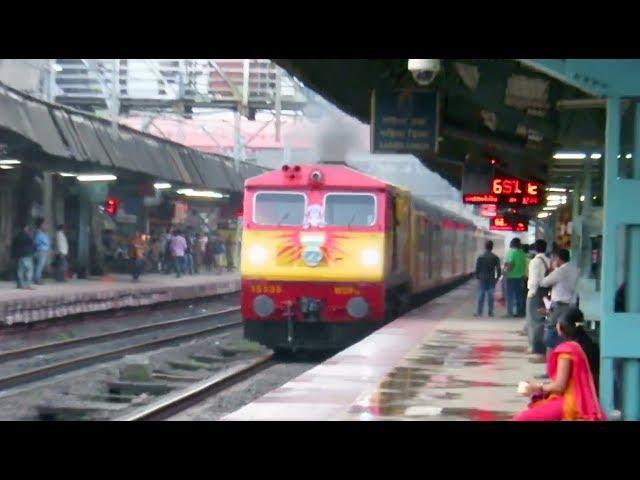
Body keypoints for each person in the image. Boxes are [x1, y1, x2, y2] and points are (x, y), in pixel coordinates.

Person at [513, 306, 604, 421]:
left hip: (573, 401)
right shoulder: (591, 344)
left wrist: (538, 387)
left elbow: (559, 387)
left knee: (522, 418)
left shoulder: (567, 350)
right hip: (588, 398)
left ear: (560, 327)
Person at [540, 249, 580, 352]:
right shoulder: (574, 269)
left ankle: (561, 351)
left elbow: (544, 282)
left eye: (554, 258)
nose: (553, 261)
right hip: (572, 305)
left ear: (558, 259)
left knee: (550, 333)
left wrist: (552, 269)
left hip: (559, 306)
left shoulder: (560, 271)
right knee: (566, 330)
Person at [526, 239, 550, 362]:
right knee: (540, 320)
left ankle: (536, 348)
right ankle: (539, 348)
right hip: (544, 292)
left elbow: (534, 279)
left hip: (535, 293)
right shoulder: (547, 260)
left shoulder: (535, 261)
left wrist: (532, 292)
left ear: (534, 249)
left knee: (534, 321)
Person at [473, 240, 501, 317]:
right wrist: (497, 278)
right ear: (492, 247)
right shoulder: (495, 257)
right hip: (491, 279)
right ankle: (490, 312)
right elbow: (498, 269)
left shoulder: (480, 257)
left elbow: (477, 268)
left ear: (485, 247)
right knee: (491, 296)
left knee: (481, 295)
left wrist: (477, 277)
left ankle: (479, 312)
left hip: (482, 278)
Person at [503, 237, 526, 317]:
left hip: (511, 277)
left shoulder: (511, 252)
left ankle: (510, 312)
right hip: (521, 277)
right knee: (519, 296)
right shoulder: (522, 253)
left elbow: (509, 264)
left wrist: (505, 273)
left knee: (510, 296)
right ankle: (519, 312)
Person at [11, 223, 36, 290]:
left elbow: (14, 246)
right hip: (27, 255)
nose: (28, 229)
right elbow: (32, 244)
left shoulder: (17, 236)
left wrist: (13, 255)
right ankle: (28, 285)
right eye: (27, 228)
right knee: (29, 269)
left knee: (20, 270)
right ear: (25, 228)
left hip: (19, 256)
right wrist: (33, 251)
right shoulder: (27, 236)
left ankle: (20, 284)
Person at [33, 218, 51, 285]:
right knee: (39, 266)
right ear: (41, 225)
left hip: (43, 251)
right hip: (41, 251)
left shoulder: (43, 233)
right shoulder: (39, 233)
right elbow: (36, 242)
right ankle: (37, 279)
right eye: (44, 224)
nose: (46, 226)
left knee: (40, 266)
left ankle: (38, 278)